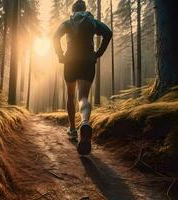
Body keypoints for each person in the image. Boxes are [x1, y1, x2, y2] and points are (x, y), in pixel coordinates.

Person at [53, 0, 112, 155]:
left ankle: (72, 129)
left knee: (70, 95)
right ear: (85, 9)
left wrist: (61, 55)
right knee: (83, 97)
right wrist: (98, 53)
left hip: (70, 62)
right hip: (87, 62)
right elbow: (108, 33)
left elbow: (54, 37)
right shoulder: (92, 21)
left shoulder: (67, 22)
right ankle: (85, 122)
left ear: (73, 11)